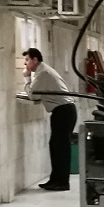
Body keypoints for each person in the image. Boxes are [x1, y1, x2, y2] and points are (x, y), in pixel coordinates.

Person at [18, 48, 77, 191]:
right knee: (56, 146)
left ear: (35, 60)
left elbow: (33, 95)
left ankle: (62, 182)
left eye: (27, 60)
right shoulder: (43, 71)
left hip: (63, 111)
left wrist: (26, 78)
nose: (25, 64)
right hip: (62, 111)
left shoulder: (43, 73)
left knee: (61, 147)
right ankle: (55, 179)